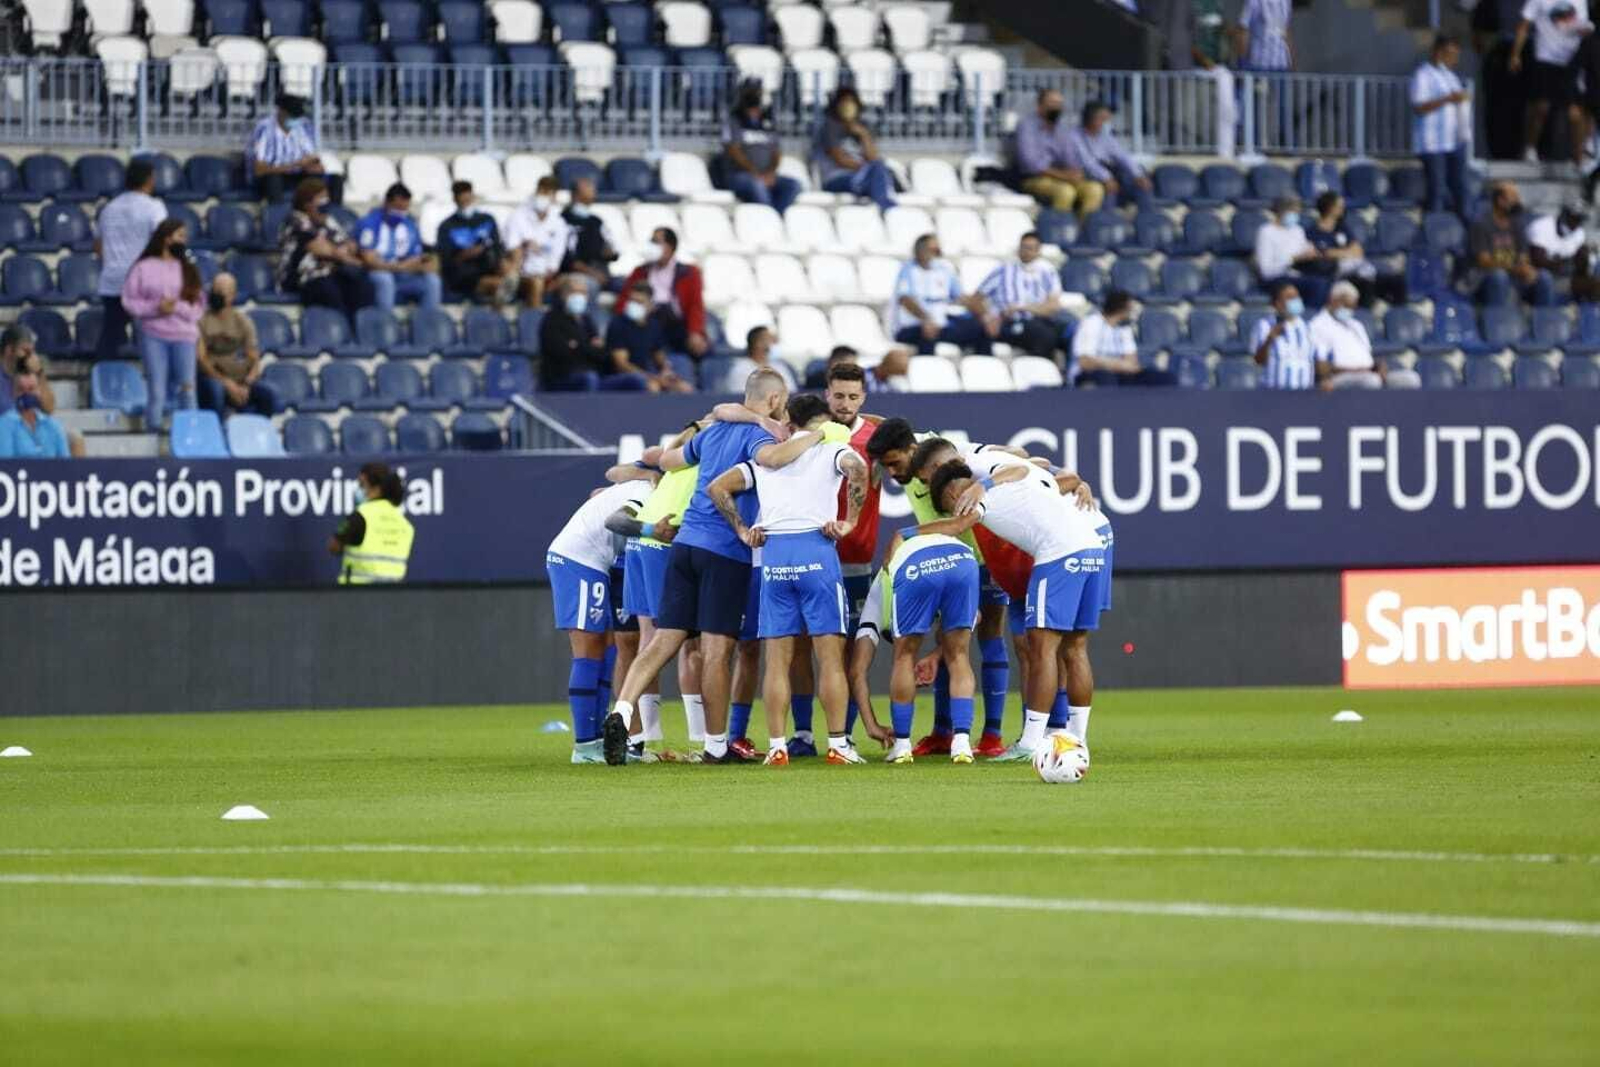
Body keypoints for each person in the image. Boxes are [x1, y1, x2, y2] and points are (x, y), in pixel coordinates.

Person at [604, 370, 818, 765]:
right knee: (717, 652)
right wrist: (812, 436)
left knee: (663, 639)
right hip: (724, 551)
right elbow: (772, 459)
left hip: (684, 545)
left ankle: (621, 710)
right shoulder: (759, 437)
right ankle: (716, 746)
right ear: (774, 400)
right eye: (783, 400)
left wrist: (712, 421)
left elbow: (667, 460)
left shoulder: (713, 432)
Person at [705, 393, 869, 766]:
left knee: (777, 661)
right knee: (830, 658)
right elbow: (859, 470)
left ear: (789, 423)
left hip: (774, 555)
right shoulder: (832, 449)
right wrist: (850, 522)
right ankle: (838, 745)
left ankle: (777, 746)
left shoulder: (764, 458)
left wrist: (742, 529)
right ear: (824, 421)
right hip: (816, 549)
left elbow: (717, 487)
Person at [929, 458, 1107, 764]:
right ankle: (1078, 741)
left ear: (952, 494)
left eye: (949, 506)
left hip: (1058, 556)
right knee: (1075, 648)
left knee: (1042, 650)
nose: (955, 510)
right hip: (1093, 549)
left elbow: (957, 526)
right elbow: (1026, 466)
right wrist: (987, 483)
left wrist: (907, 535)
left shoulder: (980, 498)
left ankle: (1030, 743)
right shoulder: (1024, 480)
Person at [605, 425, 707, 761]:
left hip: (639, 545)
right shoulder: (705, 459)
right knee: (690, 644)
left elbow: (631, 467)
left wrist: (689, 433)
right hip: (664, 542)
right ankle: (700, 742)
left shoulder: (671, 464)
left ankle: (642, 739)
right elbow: (617, 472)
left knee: (648, 641)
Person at [545, 474, 655, 762]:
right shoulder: (646, 491)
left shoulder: (639, 486)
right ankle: (584, 745)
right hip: (578, 560)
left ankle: (597, 740)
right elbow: (616, 521)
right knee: (589, 650)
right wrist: (652, 529)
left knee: (607, 649)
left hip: (592, 563)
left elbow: (598, 494)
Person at [121, 218, 202, 432]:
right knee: (157, 389)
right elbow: (129, 301)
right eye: (180, 236)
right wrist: (156, 308)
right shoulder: (142, 267)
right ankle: (153, 431)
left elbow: (197, 306)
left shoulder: (188, 268)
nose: (184, 240)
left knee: (187, 388)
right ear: (167, 238)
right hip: (153, 335)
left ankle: (191, 434)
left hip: (184, 335)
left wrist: (175, 307)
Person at [95, 158, 167, 365]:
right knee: (152, 336)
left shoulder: (109, 208)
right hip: (142, 283)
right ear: (150, 179)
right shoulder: (154, 208)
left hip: (113, 281)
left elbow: (98, 246)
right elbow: (164, 242)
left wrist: (115, 263)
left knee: (111, 336)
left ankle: (104, 379)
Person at [278, 178, 374, 327]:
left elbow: (349, 245)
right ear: (307, 203)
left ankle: (360, 332)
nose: (325, 202)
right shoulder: (296, 220)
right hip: (304, 276)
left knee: (362, 285)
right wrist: (343, 254)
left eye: (326, 197)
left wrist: (340, 251)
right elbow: (320, 249)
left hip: (332, 271)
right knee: (330, 292)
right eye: (321, 198)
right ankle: (341, 332)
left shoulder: (327, 219)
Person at [1510, 0, 1592, 164]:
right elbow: (1524, 25)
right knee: (1541, 107)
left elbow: (1583, 27)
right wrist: (1515, 54)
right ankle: (1530, 148)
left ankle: (1581, 154)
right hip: (1545, 58)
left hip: (1573, 61)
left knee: (1577, 111)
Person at [889, 233, 997, 354]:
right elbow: (906, 300)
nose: (938, 254)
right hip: (912, 326)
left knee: (981, 329)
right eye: (934, 250)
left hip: (940, 324)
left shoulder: (944, 270)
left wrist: (985, 316)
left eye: (939, 250)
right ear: (920, 251)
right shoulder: (908, 270)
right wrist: (926, 319)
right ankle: (927, 364)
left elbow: (961, 297)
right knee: (928, 333)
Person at [538, 275, 650, 392]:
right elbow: (562, 355)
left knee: (636, 380)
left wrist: (578, 345)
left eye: (583, 293)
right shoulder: (551, 319)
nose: (579, 296)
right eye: (574, 292)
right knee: (589, 378)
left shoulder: (586, 320)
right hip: (563, 380)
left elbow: (603, 354)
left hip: (595, 377)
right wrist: (589, 347)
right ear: (563, 295)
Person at [1158, 0, 1236, 157]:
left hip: (1216, 69)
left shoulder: (1217, 5)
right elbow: (1185, 36)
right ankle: (1181, 148)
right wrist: (1203, 59)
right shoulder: (1187, 4)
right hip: (1188, 66)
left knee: (1227, 111)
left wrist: (1229, 36)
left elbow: (1224, 32)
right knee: (1185, 113)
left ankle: (1225, 150)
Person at [619, 228, 709, 360]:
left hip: (677, 325)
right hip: (647, 322)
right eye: (651, 242)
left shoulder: (689, 272)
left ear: (670, 247)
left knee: (701, 347)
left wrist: (695, 332)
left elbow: (695, 305)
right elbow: (624, 300)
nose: (652, 246)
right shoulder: (640, 272)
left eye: (656, 242)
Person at [197, 273, 279, 417]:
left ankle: (257, 429)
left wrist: (247, 384)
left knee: (269, 394)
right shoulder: (201, 321)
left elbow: (254, 359)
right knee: (216, 390)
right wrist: (227, 383)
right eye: (215, 290)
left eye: (221, 291)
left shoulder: (243, 321)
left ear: (232, 296)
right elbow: (202, 360)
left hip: (240, 379)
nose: (216, 294)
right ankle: (218, 429)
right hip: (212, 378)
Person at [1465, 180, 1557, 306]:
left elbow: (1523, 255)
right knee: (1499, 276)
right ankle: (1495, 317)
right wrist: (1515, 269)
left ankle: (1544, 317)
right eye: (1514, 197)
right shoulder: (1481, 224)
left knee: (1544, 277)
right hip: (1486, 278)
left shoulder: (1517, 224)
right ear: (1500, 201)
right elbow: (1484, 261)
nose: (1518, 201)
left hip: (1514, 276)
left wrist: (1526, 268)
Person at [978, 231, 1067, 358]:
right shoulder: (1004, 270)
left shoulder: (1048, 271)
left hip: (1041, 320)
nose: (1026, 251)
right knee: (1044, 335)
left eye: (1030, 248)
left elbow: (1053, 307)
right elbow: (976, 298)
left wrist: (1022, 307)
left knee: (1070, 330)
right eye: (1023, 247)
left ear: (1038, 251)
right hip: (1011, 322)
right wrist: (987, 317)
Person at [1412, 35, 1473, 220]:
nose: (1455, 60)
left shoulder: (1450, 76)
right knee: (1437, 189)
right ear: (1438, 52)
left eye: (1456, 55)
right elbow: (1419, 107)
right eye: (1451, 54)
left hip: (1454, 141)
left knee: (1461, 188)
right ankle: (1433, 227)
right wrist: (1447, 99)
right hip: (1433, 144)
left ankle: (1465, 227)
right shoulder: (1422, 75)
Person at [356, 182, 441, 313]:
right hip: (376, 273)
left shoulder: (409, 225)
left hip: (402, 275)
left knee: (432, 281)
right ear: (386, 203)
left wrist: (415, 265)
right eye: (397, 207)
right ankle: (385, 321)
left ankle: (429, 321)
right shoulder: (369, 223)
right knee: (385, 279)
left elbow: (417, 258)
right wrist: (397, 267)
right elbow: (369, 260)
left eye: (404, 209)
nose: (400, 212)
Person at [0, 325, 84, 456]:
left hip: (31, 430)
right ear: (9, 350)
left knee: (75, 438)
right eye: (26, 351)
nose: (30, 356)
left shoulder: (31, 374)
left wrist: (39, 373)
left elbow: (49, 409)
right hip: (5, 433)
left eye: (33, 351)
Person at [1013, 89, 1099, 217]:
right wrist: (1063, 175)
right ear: (1040, 105)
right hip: (1033, 178)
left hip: (1061, 177)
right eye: (1052, 103)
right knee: (1065, 192)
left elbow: (1071, 159)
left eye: (1059, 104)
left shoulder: (1061, 129)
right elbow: (1030, 164)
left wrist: (1075, 172)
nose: (1057, 107)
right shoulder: (1026, 126)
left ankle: (1084, 227)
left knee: (1094, 189)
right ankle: (1058, 227)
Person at [723, 78, 802, 216]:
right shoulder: (734, 121)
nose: (755, 109)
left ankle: (776, 217)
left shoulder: (768, 123)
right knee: (757, 186)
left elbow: (776, 153)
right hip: (740, 175)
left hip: (766, 174)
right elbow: (733, 151)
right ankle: (770, 218)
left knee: (794, 185)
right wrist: (755, 173)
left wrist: (770, 173)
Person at [328, 462, 415, 585]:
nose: (358, 489)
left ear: (377, 487)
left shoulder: (359, 516)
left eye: (361, 484)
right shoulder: (405, 524)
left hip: (355, 593)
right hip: (393, 593)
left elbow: (334, 547)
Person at [812, 87, 897, 212]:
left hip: (861, 176)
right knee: (877, 175)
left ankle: (883, 204)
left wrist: (864, 135)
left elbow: (873, 157)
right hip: (837, 179)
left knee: (878, 165)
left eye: (852, 101)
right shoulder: (829, 127)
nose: (848, 105)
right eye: (844, 101)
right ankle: (887, 207)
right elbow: (840, 159)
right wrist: (866, 169)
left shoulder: (862, 127)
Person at [1070, 289, 1176, 387]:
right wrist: (1115, 365)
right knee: (1107, 379)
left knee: (1166, 378)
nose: (1133, 312)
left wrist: (1118, 365)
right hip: (1090, 374)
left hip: (1120, 373)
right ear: (1121, 309)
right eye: (1130, 309)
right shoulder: (1091, 323)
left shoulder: (1125, 327)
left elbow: (1131, 361)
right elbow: (1085, 362)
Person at [437, 180, 519, 304]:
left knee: (507, 267)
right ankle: (500, 297)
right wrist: (465, 255)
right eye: (461, 199)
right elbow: (446, 260)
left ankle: (511, 281)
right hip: (465, 274)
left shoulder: (487, 219)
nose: (465, 203)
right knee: (498, 285)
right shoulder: (446, 226)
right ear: (455, 199)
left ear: (472, 197)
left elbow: (496, 246)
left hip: (488, 265)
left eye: (467, 198)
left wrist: (498, 260)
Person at [248, 94, 341, 203]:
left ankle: (333, 211)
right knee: (274, 179)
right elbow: (259, 169)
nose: (296, 120)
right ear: (281, 112)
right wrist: (294, 166)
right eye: (293, 116)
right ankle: (276, 211)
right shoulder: (264, 128)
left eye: (297, 117)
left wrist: (315, 166)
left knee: (335, 179)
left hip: (299, 174)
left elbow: (312, 157)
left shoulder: (304, 125)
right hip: (271, 176)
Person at [604, 283, 694, 393]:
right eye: (631, 301)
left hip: (644, 375)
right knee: (652, 386)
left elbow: (659, 357)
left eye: (639, 302)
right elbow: (621, 365)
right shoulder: (617, 324)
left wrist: (667, 373)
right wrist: (653, 378)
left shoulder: (653, 325)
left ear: (650, 306)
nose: (633, 305)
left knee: (684, 388)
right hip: (617, 377)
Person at [1065, 100, 1154, 210]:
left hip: (1105, 171)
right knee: (1109, 186)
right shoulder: (1074, 136)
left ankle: (1148, 214)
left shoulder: (1104, 135)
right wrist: (1107, 178)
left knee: (1140, 180)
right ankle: (1107, 216)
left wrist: (1138, 175)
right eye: (1102, 119)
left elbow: (1122, 156)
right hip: (1085, 174)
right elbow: (1087, 163)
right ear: (1090, 119)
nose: (1105, 123)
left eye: (1106, 119)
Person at [1307, 281, 1387, 390]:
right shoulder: (1318, 325)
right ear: (1333, 300)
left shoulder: (1356, 325)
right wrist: (1357, 371)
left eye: (1352, 307)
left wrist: (1379, 366)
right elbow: (1321, 366)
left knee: (1407, 378)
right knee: (1371, 381)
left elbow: (1368, 355)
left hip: (1367, 373)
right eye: (1346, 306)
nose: (1349, 311)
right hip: (1338, 377)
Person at [505, 175, 570, 308]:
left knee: (575, 285)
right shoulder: (517, 216)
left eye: (548, 193)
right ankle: (533, 318)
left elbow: (556, 256)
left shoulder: (559, 223)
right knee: (536, 283)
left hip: (546, 274)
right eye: (541, 192)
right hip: (521, 273)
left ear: (554, 197)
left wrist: (548, 273)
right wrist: (525, 245)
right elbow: (512, 249)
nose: (543, 196)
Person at [1255, 195, 1329, 310]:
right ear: (1281, 211)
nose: (1296, 215)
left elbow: (1305, 250)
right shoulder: (1266, 232)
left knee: (1327, 282)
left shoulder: (1297, 230)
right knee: (1317, 285)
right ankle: (1308, 315)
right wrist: (1292, 259)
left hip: (1297, 274)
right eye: (1293, 212)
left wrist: (1312, 253)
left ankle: (1309, 313)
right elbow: (1266, 271)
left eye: (1297, 212)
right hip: (1275, 278)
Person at [1252, 281, 1324, 390]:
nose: (1295, 300)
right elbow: (1259, 361)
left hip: (1304, 394)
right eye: (1290, 297)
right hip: (1274, 393)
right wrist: (1269, 340)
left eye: (1297, 296)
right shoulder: (1264, 325)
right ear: (1278, 303)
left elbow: (1318, 360)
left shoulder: (1309, 328)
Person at [0, 349, 70, 458]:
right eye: (21, 390)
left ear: (39, 391)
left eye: (31, 389)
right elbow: (6, 464)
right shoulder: (4, 425)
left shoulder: (53, 427)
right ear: (13, 393)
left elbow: (66, 464)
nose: (26, 394)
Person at [1527, 201, 1600, 300]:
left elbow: (1580, 267)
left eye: (1579, 219)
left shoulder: (1579, 233)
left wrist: (1583, 260)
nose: (1576, 223)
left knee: (1595, 280)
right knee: (1545, 276)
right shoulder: (1542, 226)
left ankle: (1589, 308)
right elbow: (1537, 261)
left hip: (1566, 278)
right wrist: (1567, 262)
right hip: (1540, 278)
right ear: (1564, 215)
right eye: (1573, 218)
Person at [560, 177, 619, 295]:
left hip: (601, 271)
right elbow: (567, 258)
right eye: (588, 188)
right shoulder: (563, 220)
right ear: (575, 194)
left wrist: (610, 253)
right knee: (590, 286)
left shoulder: (596, 221)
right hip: (577, 274)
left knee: (628, 285)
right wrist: (591, 272)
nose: (593, 191)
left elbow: (612, 249)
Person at [724, 325, 798, 393]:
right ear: (758, 343)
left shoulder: (780, 367)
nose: (773, 343)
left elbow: (791, 393)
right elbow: (741, 397)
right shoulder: (741, 369)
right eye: (769, 339)